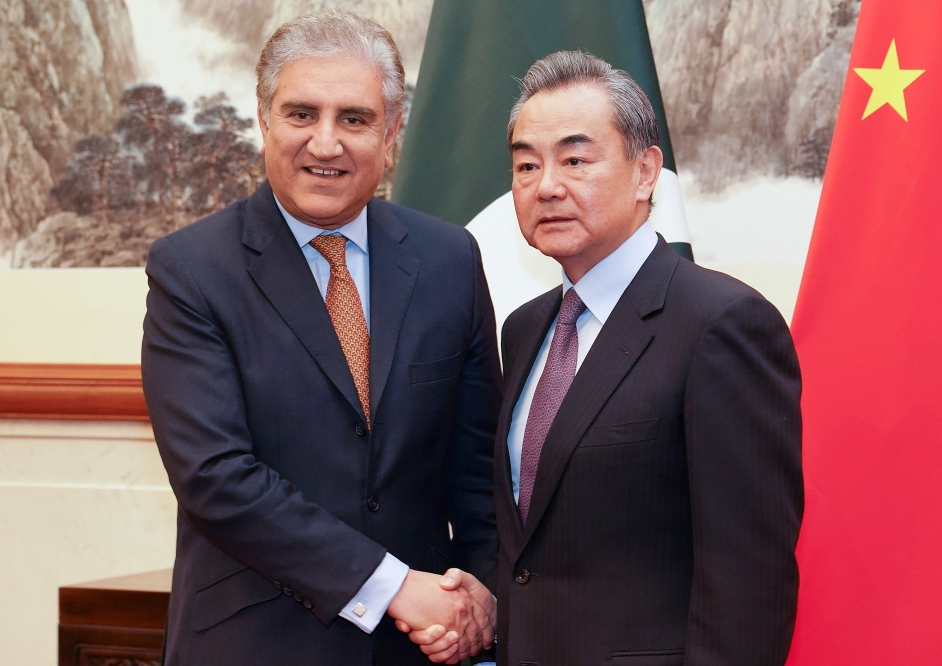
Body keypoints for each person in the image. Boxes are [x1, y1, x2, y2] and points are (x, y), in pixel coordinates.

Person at [409, 50, 803, 665]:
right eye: (526, 165)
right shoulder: (525, 327)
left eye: (575, 159)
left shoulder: (722, 324)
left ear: (646, 172)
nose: (547, 186)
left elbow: (748, 577)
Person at [141, 10, 498, 665]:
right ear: (264, 120)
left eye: (355, 119)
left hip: (421, 648)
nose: (326, 143)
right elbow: (216, 477)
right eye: (302, 114)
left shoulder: (450, 259)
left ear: (392, 133)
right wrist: (393, 587)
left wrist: (479, 593)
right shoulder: (190, 270)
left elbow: (478, 472)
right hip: (255, 645)